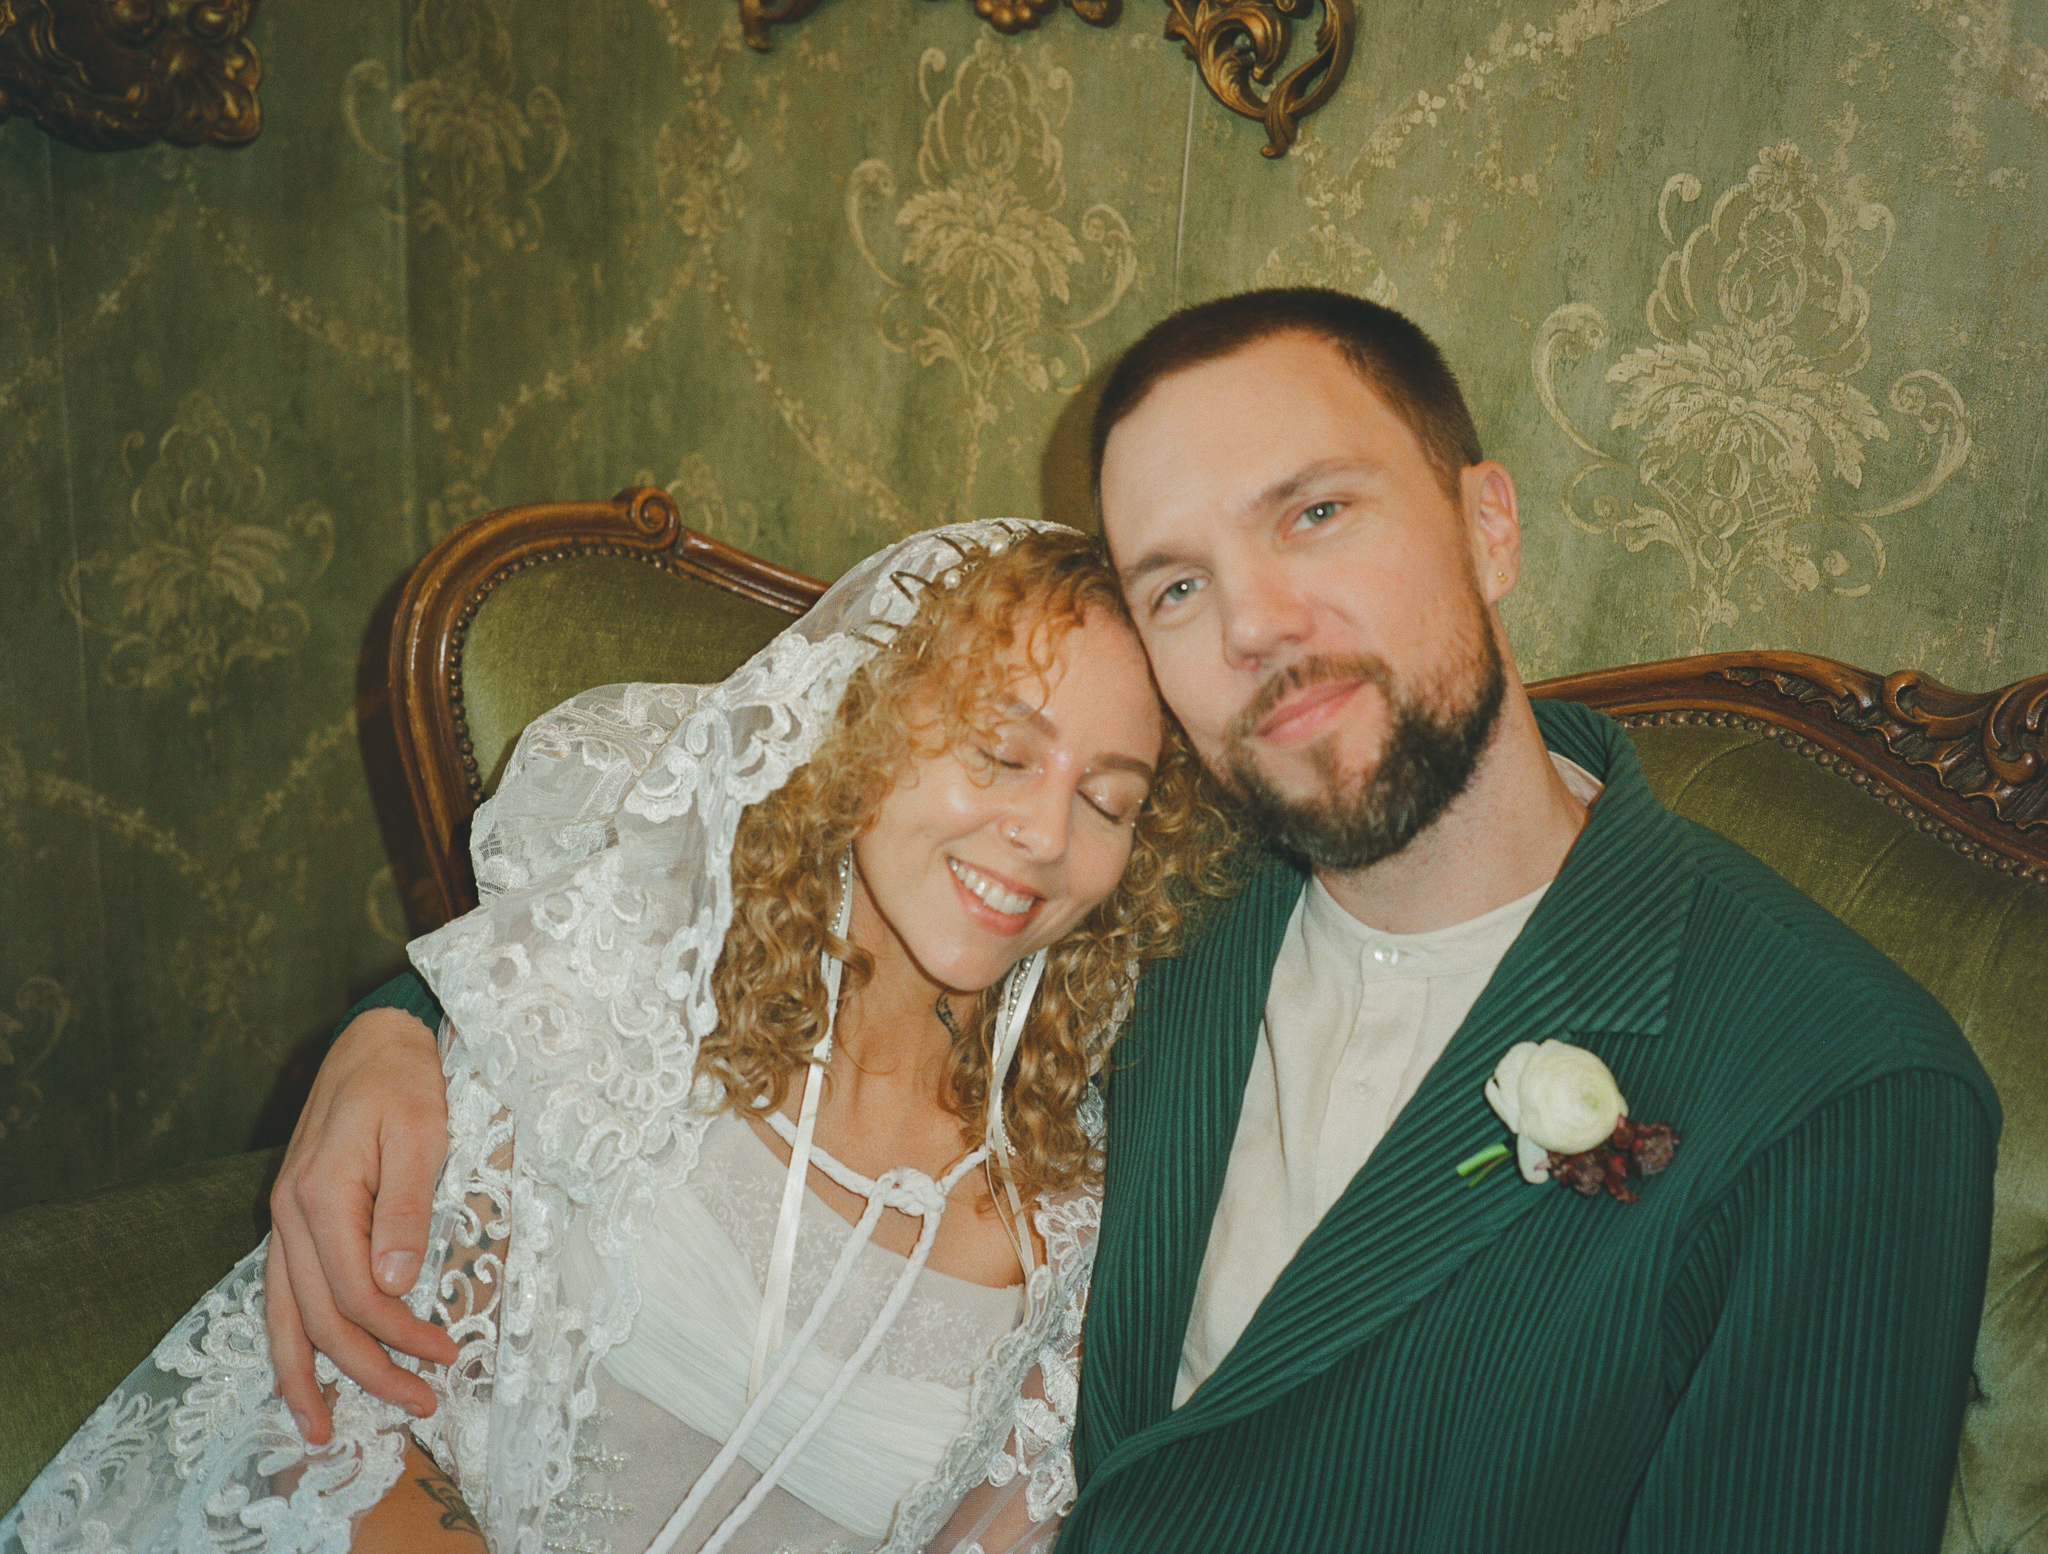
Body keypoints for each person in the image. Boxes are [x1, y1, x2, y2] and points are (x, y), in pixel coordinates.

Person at [208, 289, 1996, 1552]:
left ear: (1486, 521)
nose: (1260, 625)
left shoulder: (1842, 1089)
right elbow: (712, 838)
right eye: (1178, 581)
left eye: (1315, 511)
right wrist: (404, 1024)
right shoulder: (1156, 909)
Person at [0, 521, 1242, 1554]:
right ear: (860, 723)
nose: (1041, 831)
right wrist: (386, 1027)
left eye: (1105, 799)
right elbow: (336, 1405)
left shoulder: (1070, 1214)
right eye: (998, 750)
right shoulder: (616, 1001)